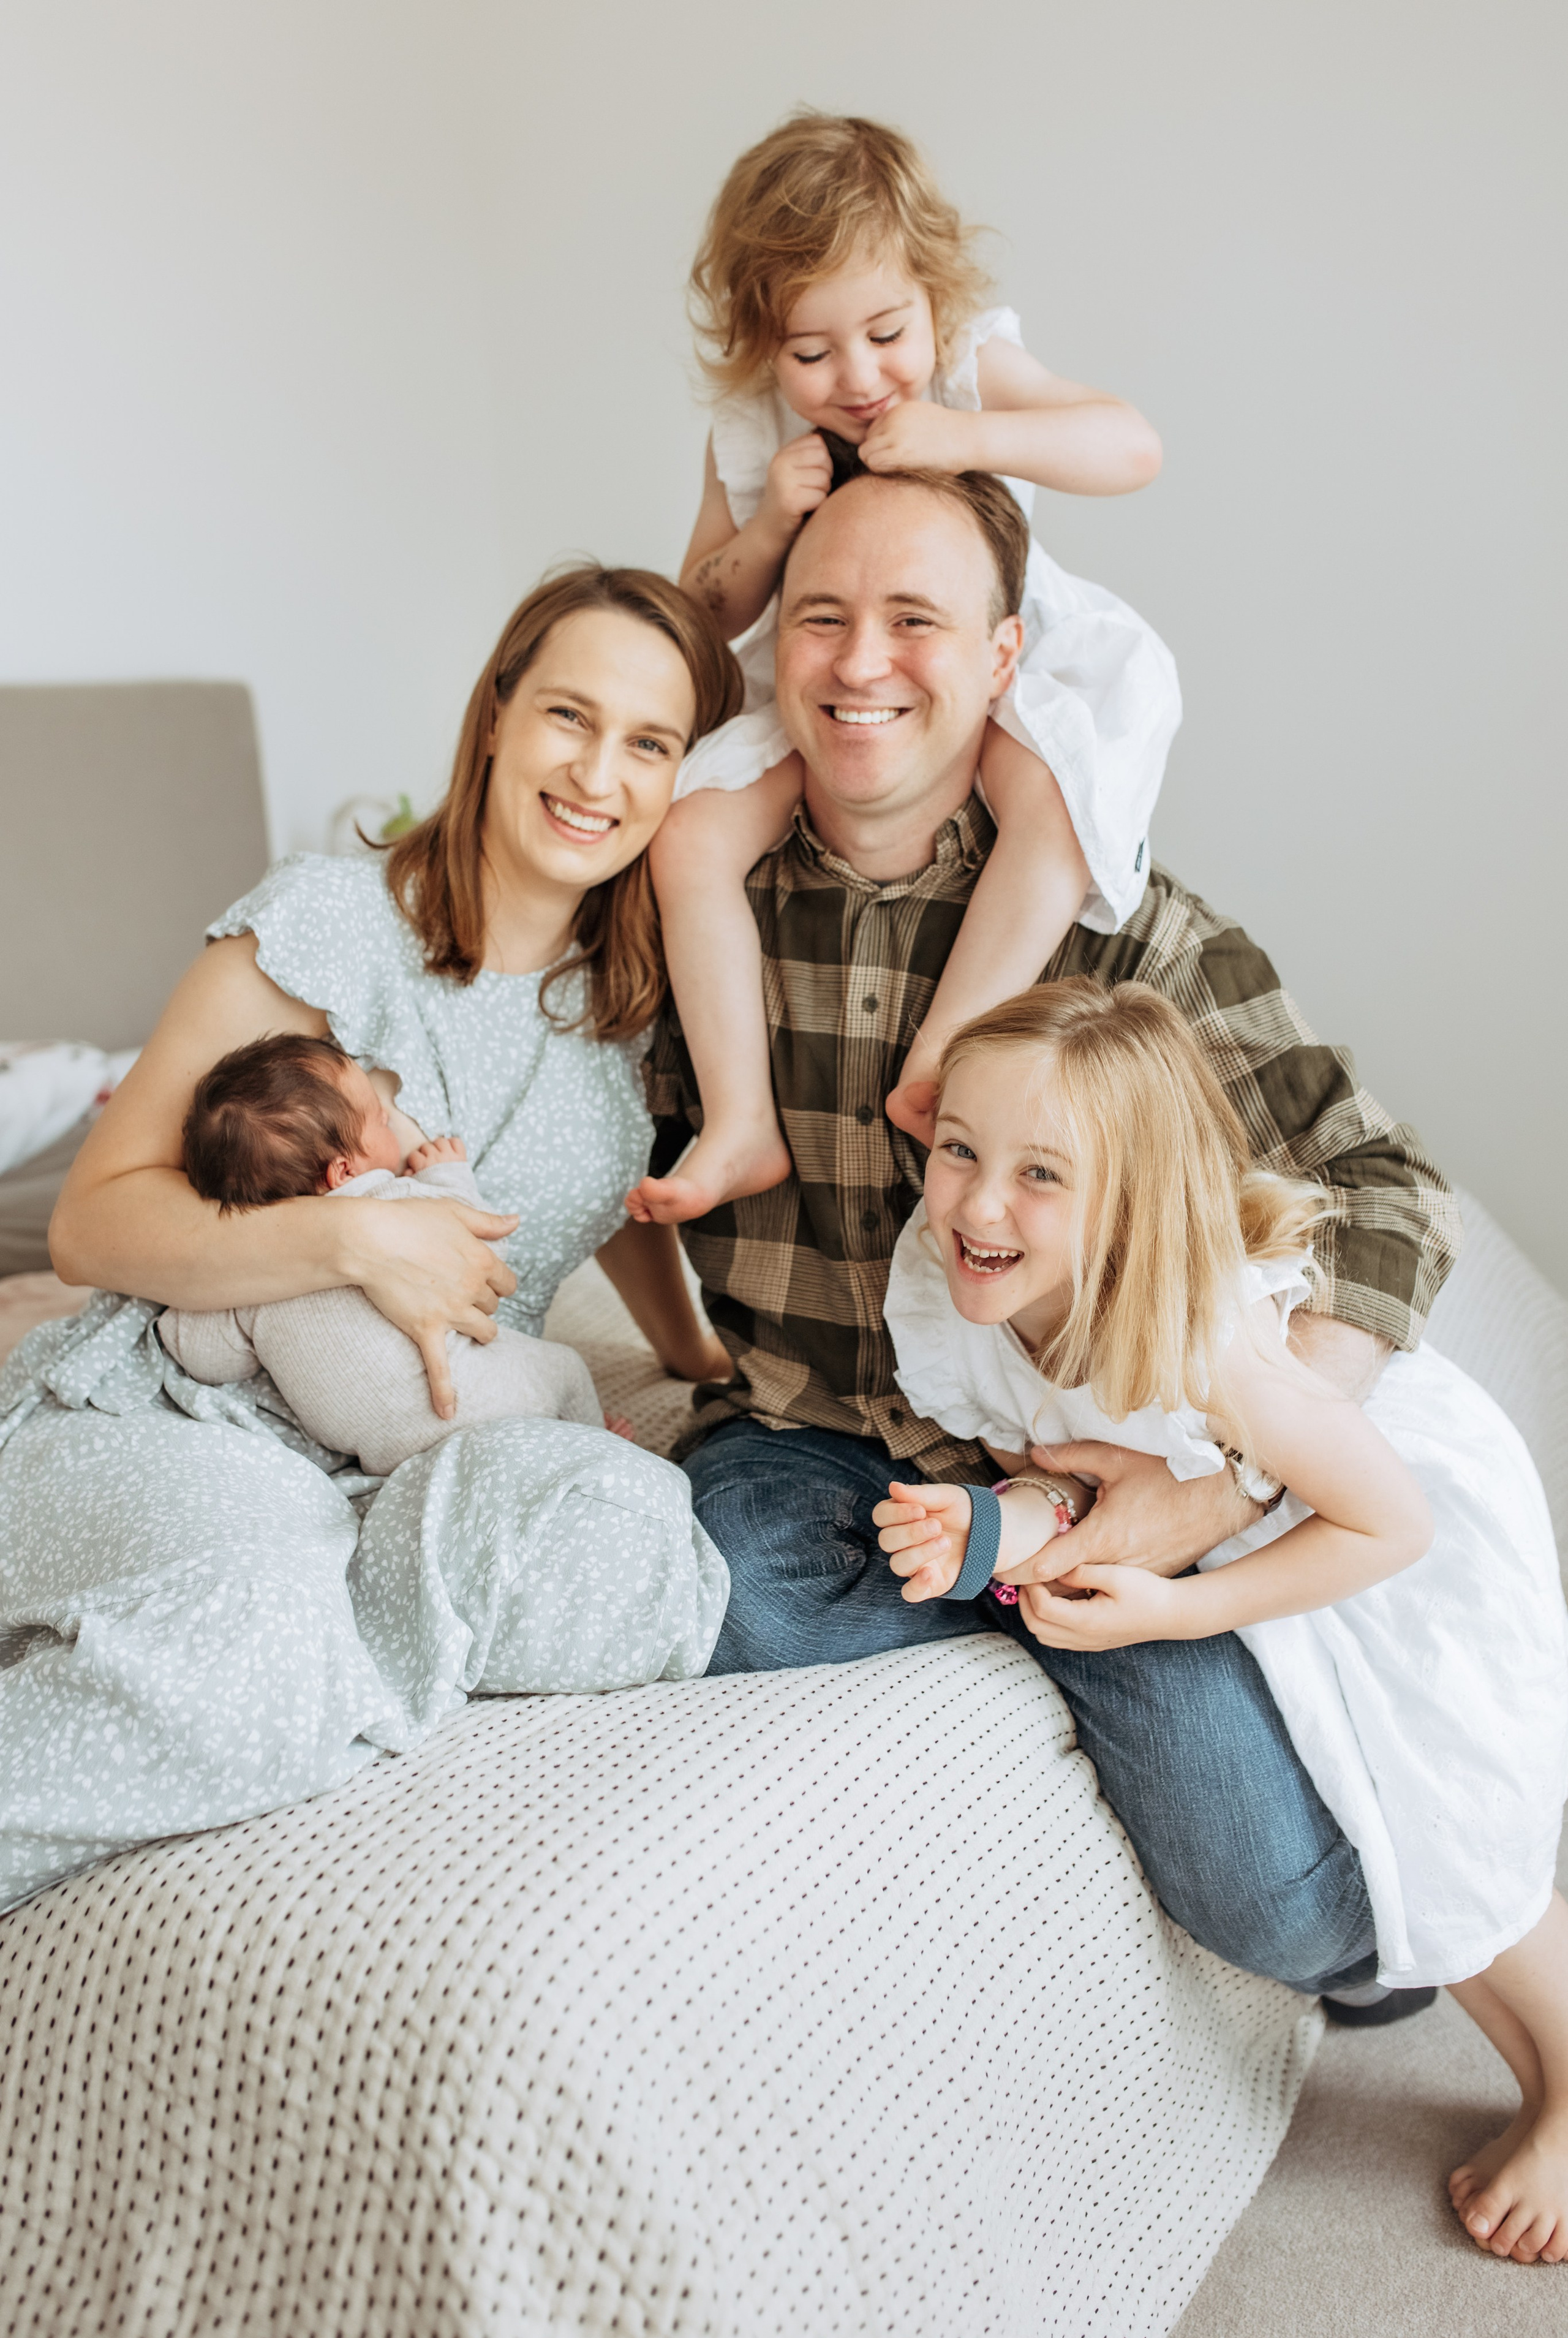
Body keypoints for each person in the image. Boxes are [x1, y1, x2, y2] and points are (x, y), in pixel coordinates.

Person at [646, 461, 1461, 2020]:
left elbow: (1380, 1180)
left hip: (1094, 1467)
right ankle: (987, 1585)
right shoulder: (696, 900)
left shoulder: (1112, 918)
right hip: (817, 1440)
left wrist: (1214, 1485)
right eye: (819, 618)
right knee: (718, 1592)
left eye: (913, 620)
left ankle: (1023, 1582)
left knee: (1282, 1908)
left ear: (1004, 657)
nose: (859, 662)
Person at [0, 566, 739, 1913]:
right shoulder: (329, 921)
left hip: (396, 1462)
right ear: (499, 712)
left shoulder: (640, 1010)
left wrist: (687, 1347)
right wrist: (350, 1243)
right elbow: (93, 1220)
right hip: (168, 1412)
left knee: (645, 1539)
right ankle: (278, 1659)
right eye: (570, 716)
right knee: (268, 1654)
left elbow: (592, 1192)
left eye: (649, 743)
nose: (598, 773)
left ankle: (313, 1649)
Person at [874, 977, 1568, 2265]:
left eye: (1039, 1174)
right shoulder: (951, 1282)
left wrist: (1185, 1607)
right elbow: (1056, 1466)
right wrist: (994, 1530)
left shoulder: (1204, 1334)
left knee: (1439, 1812)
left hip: (1384, 1529)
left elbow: (1386, 1523)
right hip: (1259, 1527)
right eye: (958, 1148)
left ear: (1129, 1199)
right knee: (1379, 1824)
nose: (974, 1203)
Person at [628, 111, 1177, 1225]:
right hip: (830, 685)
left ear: (936, 300)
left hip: (985, 667)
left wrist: (969, 439)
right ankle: (741, 1122)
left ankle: (944, 1055)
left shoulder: (974, 370)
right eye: (810, 353)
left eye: (886, 334)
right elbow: (702, 612)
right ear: (762, 345)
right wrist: (771, 527)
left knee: (1056, 810)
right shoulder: (751, 432)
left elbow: (1131, 447)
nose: (858, 377)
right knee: (689, 838)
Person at [158, 1032, 616, 1477]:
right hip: (482, 1402)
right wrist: (449, 1177)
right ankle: (603, 1446)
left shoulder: (253, 1272)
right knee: (567, 1369)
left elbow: (207, 1360)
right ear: (343, 1171)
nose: (390, 1121)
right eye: (380, 1118)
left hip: (386, 1455)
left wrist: (174, 1316)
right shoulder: (393, 1200)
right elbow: (486, 1254)